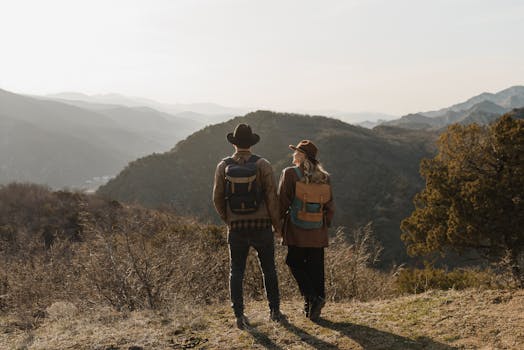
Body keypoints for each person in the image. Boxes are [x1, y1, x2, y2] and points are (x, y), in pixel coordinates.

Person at [213, 123, 284, 329]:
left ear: (234, 144)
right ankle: (275, 311)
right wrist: (276, 226)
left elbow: (217, 198)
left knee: (236, 271)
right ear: (251, 143)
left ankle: (239, 315)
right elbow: (272, 197)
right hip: (261, 225)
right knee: (269, 269)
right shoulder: (263, 164)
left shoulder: (223, 166)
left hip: (237, 228)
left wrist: (230, 219)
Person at [278, 140, 335, 321]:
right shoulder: (325, 177)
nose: (293, 154)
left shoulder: (290, 173)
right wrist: (323, 223)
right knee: (316, 267)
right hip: (318, 229)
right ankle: (314, 307)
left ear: (302, 156)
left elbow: (282, 201)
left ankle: (311, 297)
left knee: (293, 262)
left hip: (296, 228)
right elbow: (330, 207)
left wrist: (277, 224)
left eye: (296, 152)